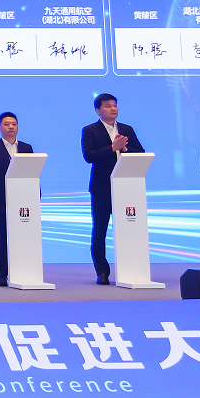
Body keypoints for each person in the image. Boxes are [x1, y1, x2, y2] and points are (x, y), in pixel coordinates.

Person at [80, 92, 144, 284]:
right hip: (102, 187)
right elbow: (89, 156)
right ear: (98, 110)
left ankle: (130, 267)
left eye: (115, 105)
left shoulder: (126, 129)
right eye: (108, 106)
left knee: (129, 226)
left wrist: (125, 149)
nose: (113, 108)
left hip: (126, 186)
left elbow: (140, 152)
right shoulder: (90, 130)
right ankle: (102, 272)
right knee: (100, 229)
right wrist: (112, 148)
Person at [0, 111, 34, 286]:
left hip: (23, 202)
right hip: (1, 202)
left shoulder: (26, 148)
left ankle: (22, 271)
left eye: (14, 124)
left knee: (23, 237)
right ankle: (2, 275)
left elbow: (33, 174)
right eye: (6, 124)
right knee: (2, 238)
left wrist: (35, 196)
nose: (11, 127)